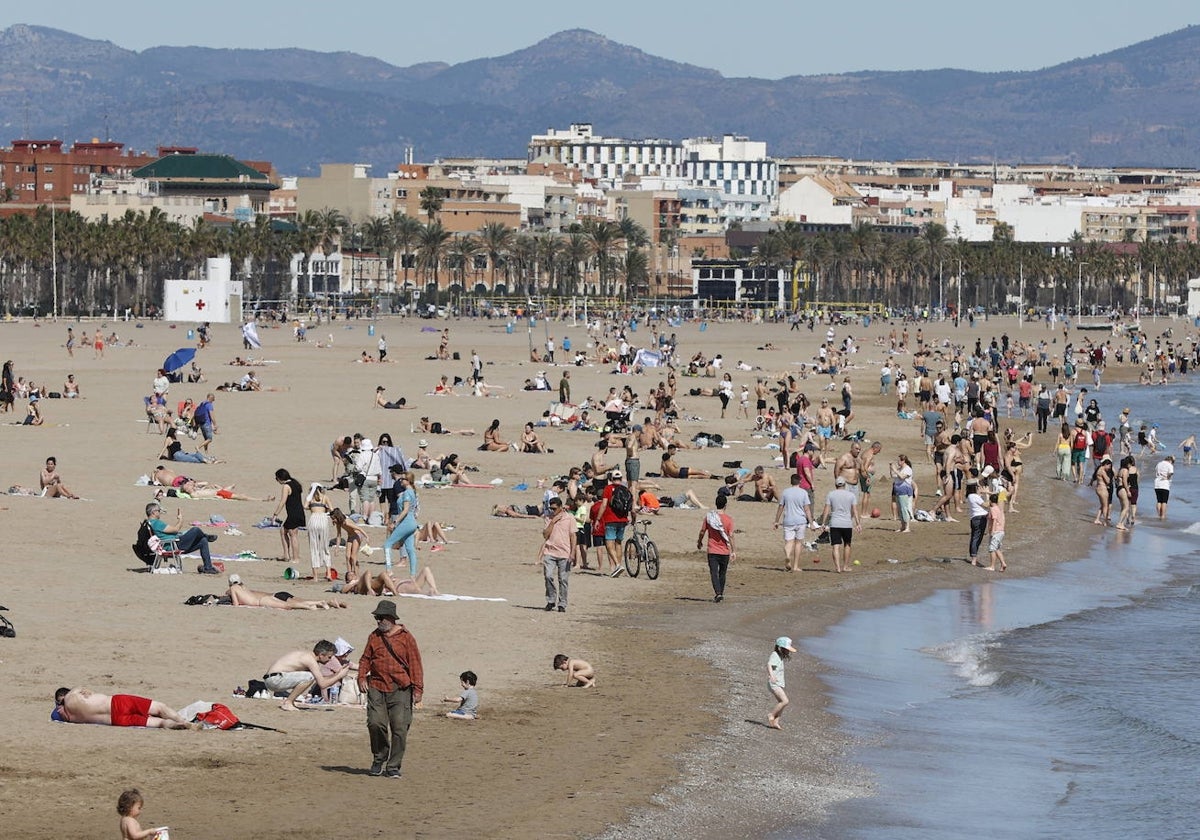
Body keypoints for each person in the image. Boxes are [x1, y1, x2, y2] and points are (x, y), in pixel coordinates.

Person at [358, 599, 424, 778]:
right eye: (377, 618)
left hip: (401, 689)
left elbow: (415, 663)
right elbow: (365, 659)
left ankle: (393, 766)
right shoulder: (374, 636)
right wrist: (361, 676)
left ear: (390, 618)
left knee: (400, 728)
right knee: (375, 723)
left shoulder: (406, 638)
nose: (378, 621)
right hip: (377, 686)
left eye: (380, 618)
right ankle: (379, 758)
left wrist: (418, 689)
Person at [262, 640, 352, 711]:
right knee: (309, 676)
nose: (330, 660)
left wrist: (337, 673)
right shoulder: (310, 660)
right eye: (329, 657)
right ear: (321, 655)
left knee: (309, 676)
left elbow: (321, 679)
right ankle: (288, 703)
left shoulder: (308, 656)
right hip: (274, 680)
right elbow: (322, 684)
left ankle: (289, 702)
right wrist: (340, 675)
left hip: (273, 679)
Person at [52, 687, 195, 729]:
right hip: (116, 703)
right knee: (159, 708)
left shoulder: (71, 718)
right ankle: (182, 720)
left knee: (158, 723)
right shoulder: (73, 694)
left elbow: (56, 715)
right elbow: (87, 690)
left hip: (115, 720)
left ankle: (174, 725)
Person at [145, 501, 219, 574]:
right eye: (158, 510)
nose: (160, 512)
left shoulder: (149, 523)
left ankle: (208, 567)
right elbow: (175, 529)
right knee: (196, 530)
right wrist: (180, 519)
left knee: (203, 541)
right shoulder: (156, 523)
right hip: (173, 545)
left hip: (170, 544)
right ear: (153, 512)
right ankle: (206, 536)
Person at [226, 573, 346, 610]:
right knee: (301, 600)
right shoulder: (245, 588)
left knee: (289, 606)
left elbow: (236, 605)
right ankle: (323, 602)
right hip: (275, 594)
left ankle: (312, 606)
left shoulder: (233, 589)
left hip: (266, 600)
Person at [818, 476, 862, 573]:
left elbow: (826, 509)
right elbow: (855, 510)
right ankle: (845, 566)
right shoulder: (851, 495)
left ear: (836, 485)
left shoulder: (831, 494)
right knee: (847, 544)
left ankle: (838, 568)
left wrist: (823, 523)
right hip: (847, 524)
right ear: (845, 484)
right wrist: (858, 523)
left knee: (835, 546)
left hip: (835, 523)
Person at [540, 497, 576, 613]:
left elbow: (573, 536)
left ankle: (562, 603)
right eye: (551, 508)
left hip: (564, 553)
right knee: (548, 576)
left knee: (563, 579)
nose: (552, 510)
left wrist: (573, 552)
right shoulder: (548, 518)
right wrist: (553, 521)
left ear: (561, 507)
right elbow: (545, 535)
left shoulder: (570, 518)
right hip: (550, 551)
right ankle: (551, 600)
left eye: (554, 508)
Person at [697, 494, 735, 602]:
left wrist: (699, 541)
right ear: (725, 505)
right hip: (725, 551)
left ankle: (718, 593)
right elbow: (731, 535)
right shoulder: (729, 519)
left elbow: (702, 531)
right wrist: (734, 550)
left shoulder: (709, 517)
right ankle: (720, 593)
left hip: (712, 550)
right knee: (722, 573)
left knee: (714, 573)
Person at [774, 473, 813, 572]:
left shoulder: (785, 492)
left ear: (791, 481)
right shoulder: (803, 492)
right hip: (800, 521)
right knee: (798, 543)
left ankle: (787, 555)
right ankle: (795, 566)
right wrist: (811, 522)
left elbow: (781, 507)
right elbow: (807, 509)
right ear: (800, 481)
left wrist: (776, 521)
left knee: (789, 542)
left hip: (788, 520)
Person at [384, 471, 420, 577]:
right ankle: (413, 575)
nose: (401, 480)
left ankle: (389, 569)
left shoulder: (408, 493)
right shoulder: (410, 491)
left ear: (408, 481)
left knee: (387, 544)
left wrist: (395, 522)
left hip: (407, 522)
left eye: (403, 479)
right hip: (411, 522)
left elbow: (405, 510)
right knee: (410, 549)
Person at [595, 469, 630, 577]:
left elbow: (604, 505)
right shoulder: (625, 489)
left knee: (609, 544)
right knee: (618, 543)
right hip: (623, 520)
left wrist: (598, 519)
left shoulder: (608, 489)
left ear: (611, 479)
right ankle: (617, 567)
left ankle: (618, 565)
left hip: (611, 520)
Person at [272, 468, 304, 566]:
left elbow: (283, 501)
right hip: (298, 511)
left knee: (293, 534)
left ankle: (295, 558)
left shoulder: (286, 486)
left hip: (294, 513)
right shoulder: (295, 483)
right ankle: (286, 555)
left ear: (280, 478)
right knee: (283, 531)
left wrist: (275, 514)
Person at [340, 567, 440, 597]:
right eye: (350, 574)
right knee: (373, 572)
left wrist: (390, 577)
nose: (352, 574)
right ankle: (427, 593)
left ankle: (434, 589)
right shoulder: (353, 584)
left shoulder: (364, 579)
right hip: (399, 586)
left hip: (404, 581)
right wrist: (353, 582)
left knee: (426, 569)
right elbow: (343, 590)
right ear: (347, 579)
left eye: (353, 573)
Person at [330, 507, 371, 578]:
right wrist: (337, 548)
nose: (333, 520)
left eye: (334, 518)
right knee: (347, 556)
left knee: (353, 557)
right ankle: (349, 574)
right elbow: (339, 535)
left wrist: (367, 537)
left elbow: (359, 528)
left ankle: (357, 576)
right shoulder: (339, 524)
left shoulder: (347, 522)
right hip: (350, 537)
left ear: (338, 517)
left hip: (357, 535)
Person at [767, 636, 797, 730]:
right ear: (781, 648)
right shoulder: (775, 655)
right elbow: (769, 664)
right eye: (787, 650)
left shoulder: (779, 656)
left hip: (778, 683)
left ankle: (776, 722)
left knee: (781, 702)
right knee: (785, 701)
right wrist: (772, 675)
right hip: (773, 683)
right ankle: (771, 715)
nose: (788, 652)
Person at [306, 483, 334, 581]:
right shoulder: (325, 497)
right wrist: (325, 508)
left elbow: (305, 506)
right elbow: (332, 509)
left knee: (314, 547)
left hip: (313, 519)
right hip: (323, 519)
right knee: (325, 546)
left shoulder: (310, 498)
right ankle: (329, 573)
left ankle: (316, 576)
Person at [966, 480, 990, 567]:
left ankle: (973, 556)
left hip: (975, 518)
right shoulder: (973, 496)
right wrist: (987, 495)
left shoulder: (970, 496)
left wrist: (982, 493)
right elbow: (986, 505)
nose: (979, 487)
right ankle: (974, 558)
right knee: (977, 538)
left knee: (974, 537)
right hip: (980, 518)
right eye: (977, 486)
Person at [986, 493, 1007, 572]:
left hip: (996, 531)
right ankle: (1003, 563)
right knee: (997, 548)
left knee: (992, 549)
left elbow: (994, 520)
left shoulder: (993, 508)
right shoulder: (998, 508)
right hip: (1001, 531)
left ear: (990, 501)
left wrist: (992, 531)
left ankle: (992, 566)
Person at [1153, 455, 1175, 519]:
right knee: (1164, 501)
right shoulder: (1169, 465)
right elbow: (1171, 473)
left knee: (1159, 500)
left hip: (1157, 484)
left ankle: (1159, 514)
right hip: (1164, 484)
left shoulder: (1159, 463)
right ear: (1170, 460)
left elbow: (1156, 470)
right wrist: (1167, 477)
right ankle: (1163, 515)